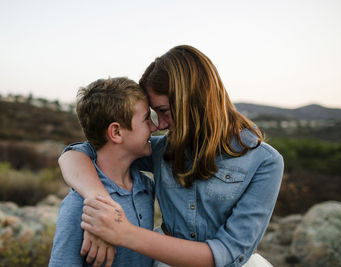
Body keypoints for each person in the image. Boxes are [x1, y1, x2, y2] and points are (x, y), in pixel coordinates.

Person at [59, 45, 284, 267]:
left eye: (164, 111)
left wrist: (121, 232)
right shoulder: (162, 149)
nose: (161, 125)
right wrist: (100, 204)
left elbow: (228, 253)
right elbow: (80, 152)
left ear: (195, 101)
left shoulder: (265, 162)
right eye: (153, 115)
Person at [49, 77, 157, 267]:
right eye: (146, 119)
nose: (154, 127)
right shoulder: (79, 205)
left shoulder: (145, 187)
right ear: (116, 132)